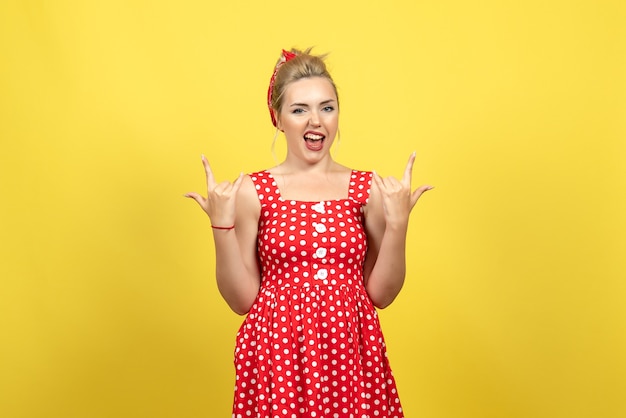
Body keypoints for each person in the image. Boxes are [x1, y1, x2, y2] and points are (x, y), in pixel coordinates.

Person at [186, 47, 432, 418]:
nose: (315, 120)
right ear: (278, 118)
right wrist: (221, 226)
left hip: (351, 357)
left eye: (326, 107)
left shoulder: (366, 189)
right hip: (278, 358)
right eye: (299, 109)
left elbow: (381, 294)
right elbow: (241, 300)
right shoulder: (254, 191)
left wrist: (398, 224)